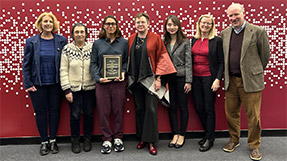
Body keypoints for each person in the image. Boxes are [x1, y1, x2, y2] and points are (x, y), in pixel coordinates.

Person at [221, 3, 270, 160]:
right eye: (230, 16)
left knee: (253, 116)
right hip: (231, 81)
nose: (233, 18)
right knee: (231, 114)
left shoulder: (258, 31)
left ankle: (254, 145)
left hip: (250, 81)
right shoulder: (225, 33)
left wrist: (253, 72)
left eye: (236, 14)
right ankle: (234, 140)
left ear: (243, 13)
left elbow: (265, 56)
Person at [127, 12, 177, 155]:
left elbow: (162, 58)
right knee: (139, 109)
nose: (140, 25)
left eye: (143, 22)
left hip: (152, 80)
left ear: (148, 23)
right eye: (138, 22)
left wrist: (159, 78)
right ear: (135, 24)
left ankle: (151, 142)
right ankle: (142, 138)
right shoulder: (131, 39)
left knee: (151, 110)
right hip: (136, 81)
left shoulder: (155, 38)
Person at [22, 12, 67, 155]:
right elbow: (26, 64)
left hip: (56, 83)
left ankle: (53, 141)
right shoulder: (31, 42)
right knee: (40, 113)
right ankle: (43, 141)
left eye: (50, 21)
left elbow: (66, 63)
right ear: (40, 24)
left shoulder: (61, 40)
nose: (48, 24)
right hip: (38, 84)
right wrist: (28, 83)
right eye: (45, 21)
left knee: (55, 111)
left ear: (54, 24)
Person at [90, 15, 128, 154]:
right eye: (108, 24)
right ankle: (106, 139)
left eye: (113, 24)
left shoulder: (123, 42)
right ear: (103, 26)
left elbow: (125, 61)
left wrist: (123, 72)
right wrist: (98, 78)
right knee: (104, 112)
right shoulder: (97, 43)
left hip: (118, 83)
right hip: (102, 84)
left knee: (118, 111)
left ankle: (118, 138)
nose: (111, 26)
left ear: (117, 26)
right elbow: (93, 63)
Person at [60, 23, 95, 154]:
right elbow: (63, 70)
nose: (79, 34)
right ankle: (75, 140)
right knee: (74, 116)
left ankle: (87, 139)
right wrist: (66, 90)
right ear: (72, 34)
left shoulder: (92, 48)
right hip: (73, 89)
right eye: (76, 32)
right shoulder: (67, 49)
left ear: (86, 34)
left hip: (90, 88)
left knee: (89, 115)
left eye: (82, 32)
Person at [191, 14, 224, 152]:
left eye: (208, 23)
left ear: (212, 25)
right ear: (199, 24)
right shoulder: (193, 39)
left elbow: (222, 62)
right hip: (195, 78)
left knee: (209, 108)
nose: (205, 25)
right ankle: (208, 134)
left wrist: (218, 79)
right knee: (199, 107)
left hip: (209, 78)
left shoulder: (216, 41)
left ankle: (209, 138)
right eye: (203, 23)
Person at [163, 15, 192, 149]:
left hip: (181, 78)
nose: (172, 27)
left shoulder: (185, 41)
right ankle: (175, 133)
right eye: (169, 25)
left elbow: (188, 62)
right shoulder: (164, 41)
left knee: (183, 107)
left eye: (174, 25)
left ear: (178, 26)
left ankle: (182, 134)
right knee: (172, 106)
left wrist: (189, 81)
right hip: (169, 79)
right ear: (166, 27)